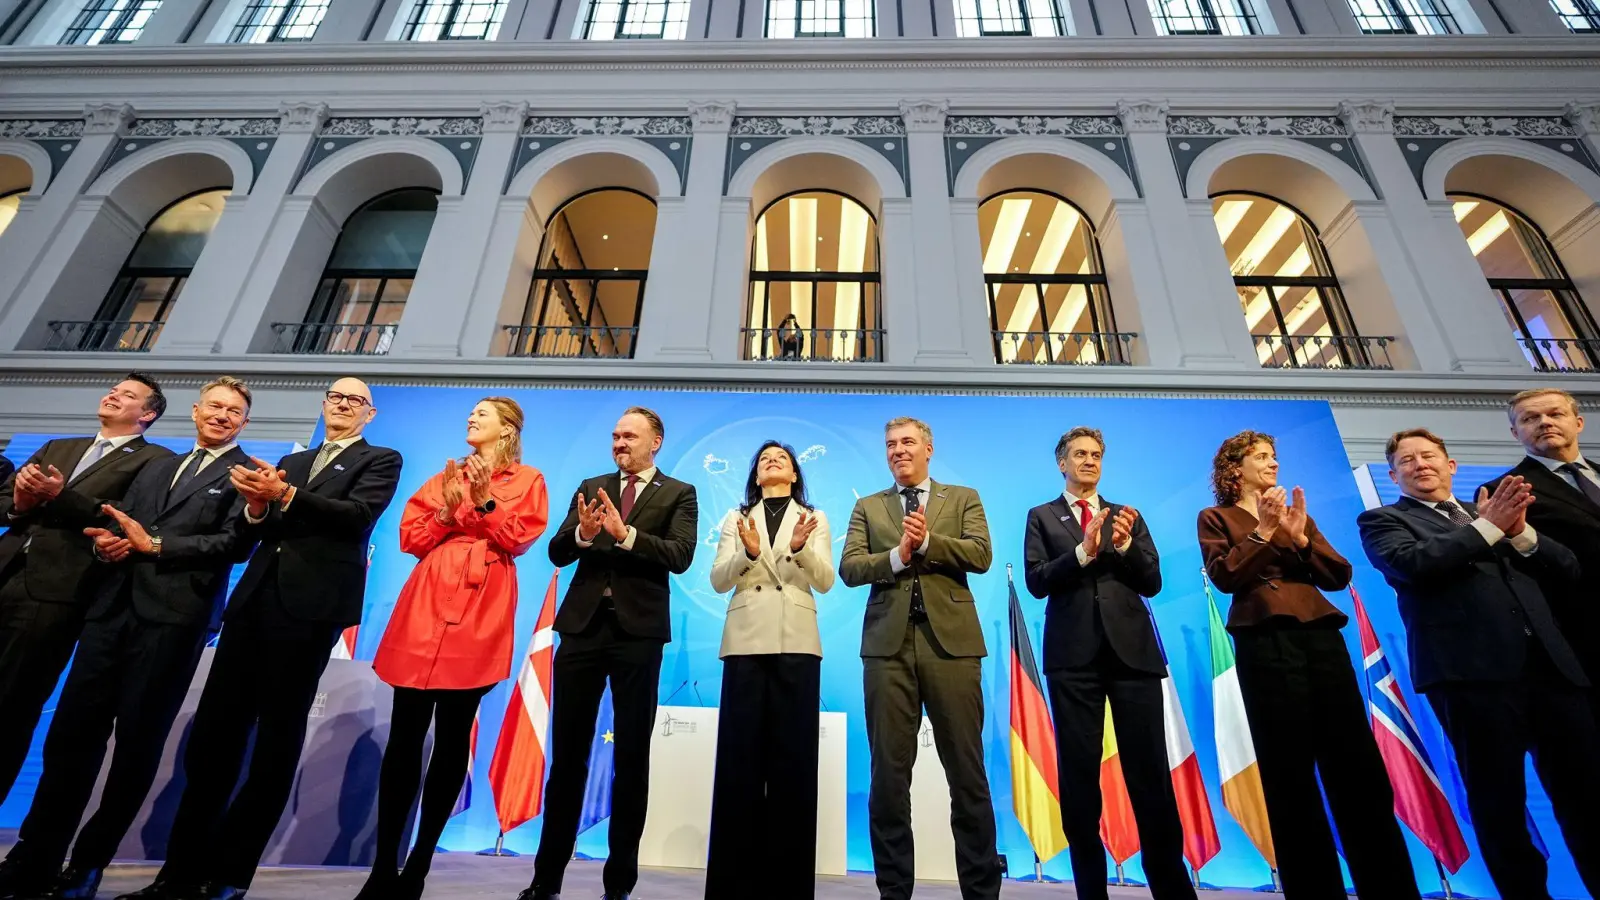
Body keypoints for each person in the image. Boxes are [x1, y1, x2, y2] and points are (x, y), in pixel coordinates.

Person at [119, 378, 403, 900]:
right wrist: (256, 507)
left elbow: (357, 516)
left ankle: (229, 876)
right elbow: (249, 536)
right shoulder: (289, 463)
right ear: (323, 405)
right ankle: (178, 875)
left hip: (310, 612)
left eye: (354, 400)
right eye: (335, 397)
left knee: (275, 742)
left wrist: (285, 496)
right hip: (252, 606)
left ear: (370, 412)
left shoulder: (380, 459)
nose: (342, 405)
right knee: (212, 743)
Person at [0, 377, 257, 900]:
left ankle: (88, 867)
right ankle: (34, 858)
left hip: (172, 621)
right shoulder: (157, 465)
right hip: (109, 613)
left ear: (244, 423)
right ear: (195, 411)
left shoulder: (245, 475)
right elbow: (118, 525)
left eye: (234, 411)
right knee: (69, 741)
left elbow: (232, 543)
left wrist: (154, 544)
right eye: (215, 406)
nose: (222, 416)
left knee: (133, 751)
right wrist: (108, 547)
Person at [1360, 428, 1600, 899]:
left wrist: (1521, 533)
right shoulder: (1383, 521)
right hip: (1471, 679)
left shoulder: (1498, 513)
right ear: (1394, 476)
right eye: (1407, 461)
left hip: (1552, 672)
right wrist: (1489, 528)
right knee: (1499, 805)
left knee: (1589, 798)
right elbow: (1418, 564)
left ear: (1451, 466)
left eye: (1429, 455)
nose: (1420, 464)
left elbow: (1568, 568)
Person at [1197, 430, 1417, 900]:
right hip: (1265, 643)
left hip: (1321, 637)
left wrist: (1298, 539)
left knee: (1357, 769)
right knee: (1289, 775)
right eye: (1261, 457)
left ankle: (1391, 887)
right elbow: (1225, 576)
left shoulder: (1299, 515)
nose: (1273, 464)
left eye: (1274, 456)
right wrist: (1262, 533)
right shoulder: (1216, 517)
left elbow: (1338, 575)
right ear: (1235, 470)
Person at [354, 397, 548, 900]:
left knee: (453, 736)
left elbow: (518, 538)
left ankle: (418, 866)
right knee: (404, 738)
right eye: (471, 413)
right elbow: (410, 537)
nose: (471, 419)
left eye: (482, 415)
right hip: (426, 599)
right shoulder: (447, 473)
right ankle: (382, 868)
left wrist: (484, 501)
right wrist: (444, 513)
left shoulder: (528, 480)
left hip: (481, 605)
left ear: (506, 430)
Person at [521, 407, 698, 900]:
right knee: (567, 759)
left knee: (632, 759)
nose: (619, 442)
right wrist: (583, 534)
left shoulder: (679, 493)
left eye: (629, 436)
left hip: (637, 634)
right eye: (615, 435)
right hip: (581, 630)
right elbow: (558, 551)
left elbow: (681, 556)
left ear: (655, 442)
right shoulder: (591, 483)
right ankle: (545, 880)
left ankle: (618, 885)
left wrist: (628, 537)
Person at [1023, 427, 1194, 900]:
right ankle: (1091, 893)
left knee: (1151, 775)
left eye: (1096, 454)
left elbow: (1152, 581)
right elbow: (1037, 581)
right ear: (1062, 463)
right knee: (1079, 777)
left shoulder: (1127, 516)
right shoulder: (1042, 516)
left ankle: (1173, 890)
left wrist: (1120, 546)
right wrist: (1083, 552)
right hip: (1072, 659)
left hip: (1132, 656)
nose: (1089, 461)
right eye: (1080, 454)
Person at [840, 417, 1000, 900]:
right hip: (886, 651)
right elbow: (850, 567)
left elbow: (981, 554)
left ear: (929, 448)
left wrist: (928, 544)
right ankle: (894, 892)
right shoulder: (868, 506)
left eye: (908, 442)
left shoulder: (964, 497)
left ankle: (981, 891)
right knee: (888, 779)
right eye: (890, 444)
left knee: (967, 774)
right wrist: (897, 554)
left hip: (952, 648)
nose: (898, 451)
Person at [0, 374, 172, 815]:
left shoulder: (153, 461)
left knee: (11, 705)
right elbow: (7, 502)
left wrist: (60, 497)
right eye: (114, 389)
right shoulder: (58, 446)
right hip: (6, 572)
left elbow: (123, 521)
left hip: (57, 594)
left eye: (128, 395)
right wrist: (19, 503)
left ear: (148, 414)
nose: (114, 394)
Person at [705, 441, 835, 900]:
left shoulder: (814, 518)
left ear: (795, 474)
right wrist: (748, 553)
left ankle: (788, 886)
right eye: (764, 459)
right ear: (756, 476)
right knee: (739, 765)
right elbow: (719, 579)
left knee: (793, 766)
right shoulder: (735, 519)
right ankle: (731, 885)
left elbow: (824, 580)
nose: (772, 462)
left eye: (781, 458)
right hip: (744, 641)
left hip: (797, 641)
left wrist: (799, 549)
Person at [1481, 388, 1600, 716]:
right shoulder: (1503, 492)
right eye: (1530, 418)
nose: (1544, 422)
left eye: (1555, 414)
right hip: (1583, 639)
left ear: (1578, 422)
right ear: (1514, 432)